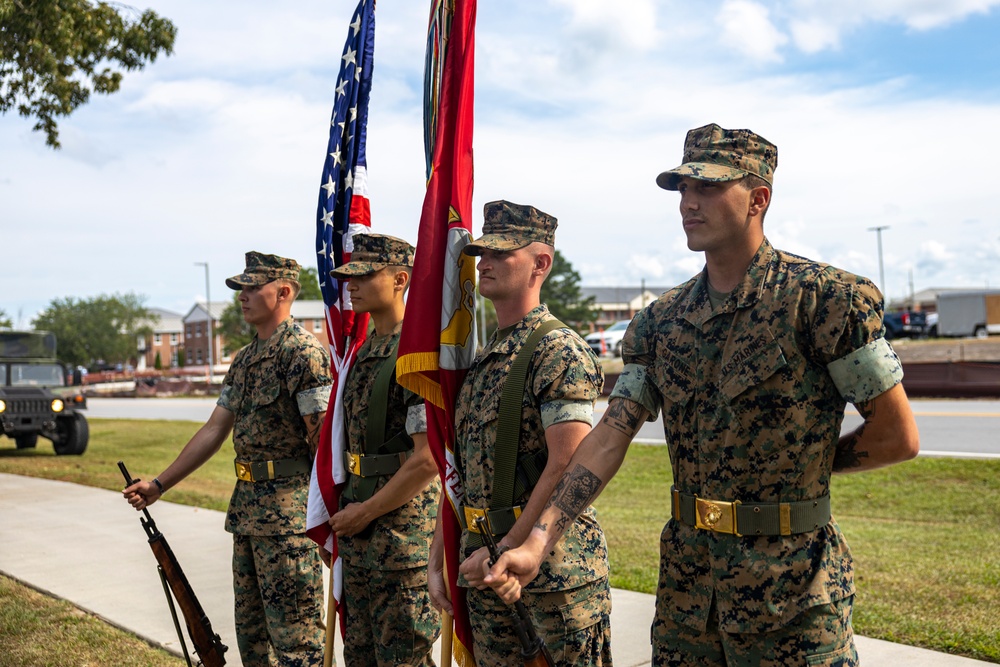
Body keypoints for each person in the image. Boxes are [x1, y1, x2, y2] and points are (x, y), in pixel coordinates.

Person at [486, 124, 921, 666]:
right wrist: (538, 541)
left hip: (794, 595)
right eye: (683, 189)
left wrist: (797, 473)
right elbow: (608, 437)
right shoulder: (661, 321)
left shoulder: (824, 301)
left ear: (759, 198)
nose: (689, 202)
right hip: (689, 596)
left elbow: (896, 437)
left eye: (709, 187)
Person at [124, 251, 332, 667]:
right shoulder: (246, 358)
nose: (243, 295)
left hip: (290, 522)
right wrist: (159, 485)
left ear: (284, 291)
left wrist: (326, 519)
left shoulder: (302, 353)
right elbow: (214, 429)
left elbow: (322, 442)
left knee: (296, 644)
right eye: (242, 288)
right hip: (249, 515)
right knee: (253, 641)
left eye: (254, 287)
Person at [428, 200, 613, 667]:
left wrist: (510, 546)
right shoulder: (487, 357)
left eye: (501, 254)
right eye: (481, 253)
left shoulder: (557, 349)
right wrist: (439, 559)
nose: (484, 263)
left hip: (550, 582)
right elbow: (460, 474)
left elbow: (568, 464)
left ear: (540, 264)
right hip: (486, 569)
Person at [326, 234, 441, 667]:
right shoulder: (362, 352)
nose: (350, 285)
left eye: (364, 275)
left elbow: (427, 458)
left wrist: (366, 512)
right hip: (360, 535)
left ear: (399, 279)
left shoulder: (415, 353)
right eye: (348, 277)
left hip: (400, 541)